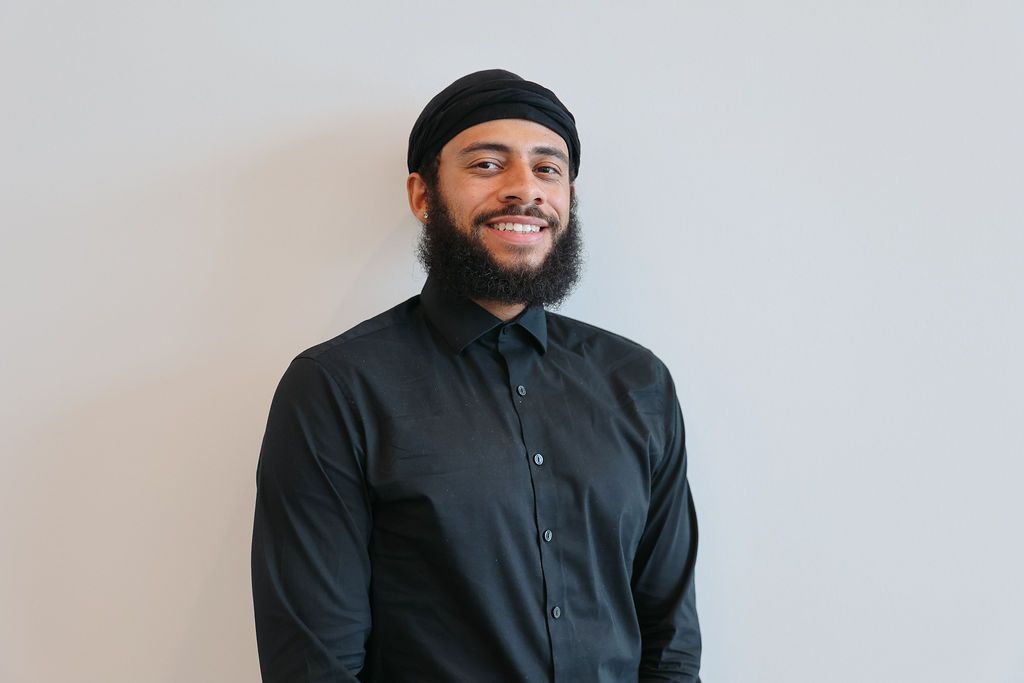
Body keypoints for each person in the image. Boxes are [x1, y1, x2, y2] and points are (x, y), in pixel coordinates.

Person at [251, 69, 702, 682]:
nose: (526, 190)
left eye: (548, 169)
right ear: (423, 196)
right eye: (487, 165)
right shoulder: (338, 388)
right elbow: (314, 665)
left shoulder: (639, 381)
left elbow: (671, 639)